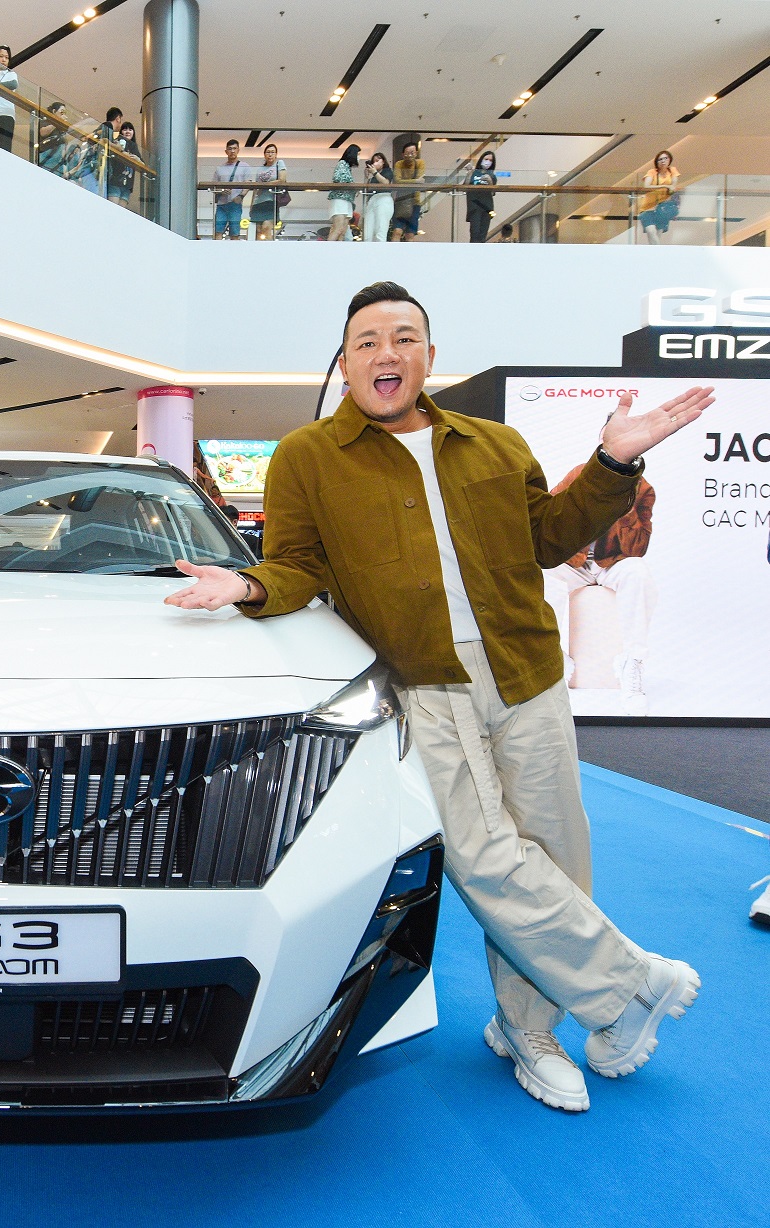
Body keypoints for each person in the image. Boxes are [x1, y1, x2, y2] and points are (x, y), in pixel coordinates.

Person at [163, 281, 710, 1114]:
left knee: (557, 858)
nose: (386, 353)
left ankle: (527, 1029)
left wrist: (614, 465)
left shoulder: (495, 443)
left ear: (428, 355)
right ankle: (630, 985)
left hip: (525, 673)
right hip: (424, 681)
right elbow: (298, 564)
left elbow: (551, 539)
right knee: (485, 859)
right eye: (367, 341)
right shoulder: (309, 455)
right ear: (345, 362)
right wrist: (247, 584)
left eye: (403, 337)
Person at [543, 442, 656, 715]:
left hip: (613, 563)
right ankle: (554, 659)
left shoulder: (643, 489)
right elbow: (547, 515)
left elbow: (638, 548)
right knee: (543, 576)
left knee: (638, 572)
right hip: (574, 561)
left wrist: (625, 506)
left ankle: (632, 664)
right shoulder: (578, 474)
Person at [639, 150, 681, 244]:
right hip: (648, 207)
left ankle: (654, 251)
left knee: (657, 234)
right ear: (656, 162)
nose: (663, 161)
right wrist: (665, 186)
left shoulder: (672, 170)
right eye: (660, 159)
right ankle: (659, 251)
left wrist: (671, 186)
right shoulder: (652, 172)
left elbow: (674, 183)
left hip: (662, 208)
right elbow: (646, 186)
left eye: (665, 158)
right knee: (651, 231)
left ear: (669, 159)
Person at [211, 139, 250, 239]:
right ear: (226, 151)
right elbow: (213, 186)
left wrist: (240, 196)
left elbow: (248, 184)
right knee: (218, 232)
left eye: (234, 148)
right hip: (221, 204)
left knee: (234, 233)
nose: (232, 151)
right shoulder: (220, 168)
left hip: (235, 204)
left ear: (238, 150)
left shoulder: (244, 166)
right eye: (230, 149)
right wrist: (221, 191)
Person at [248, 143, 287, 240]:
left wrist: (265, 185)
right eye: (268, 152)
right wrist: (251, 205)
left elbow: (282, 179)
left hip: (271, 201)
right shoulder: (260, 169)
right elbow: (256, 188)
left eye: (272, 152)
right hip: (258, 202)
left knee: (266, 227)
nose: (270, 154)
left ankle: (269, 248)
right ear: (264, 154)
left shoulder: (279, 164)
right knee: (258, 230)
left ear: (276, 154)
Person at [389, 141, 425, 242]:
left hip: (415, 202)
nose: (409, 155)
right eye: (407, 153)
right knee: (397, 231)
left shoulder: (420, 163)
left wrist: (409, 182)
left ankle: (410, 252)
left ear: (416, 153)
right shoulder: (399, 164)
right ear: (403, 154)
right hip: (400, 201)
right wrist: (415, 181)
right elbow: (397, 180)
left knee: (410, 234)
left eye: (412, 152)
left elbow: (421, 180)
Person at [327, 143, 360, 241]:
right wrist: (352, 185)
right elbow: (338, 178)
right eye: (358, 154)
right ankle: (326, 249)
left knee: (343, 231)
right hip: (340, 198)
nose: (358, 157)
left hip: (347, 200)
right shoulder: (342, 164)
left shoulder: (347, 167)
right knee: (338, 229)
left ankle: (339, 248)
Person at [362, 151, 394, 242]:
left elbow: (386, 183)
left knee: (381, 227)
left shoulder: (387, 171)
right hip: (372, 199)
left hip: (383, 198)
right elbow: (367, 189)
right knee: (368, 231)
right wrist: (367, 175)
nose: (375, 163)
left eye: (377, 160)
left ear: (383, 161)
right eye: (373, 161)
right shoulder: (372, 177)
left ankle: (380, 249)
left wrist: (375, 172)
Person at [108, 120, 140, 207]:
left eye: (130, 129)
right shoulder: (117, 142)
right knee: (112, 210)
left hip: (127, 186)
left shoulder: (133, 146)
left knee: (120, 212)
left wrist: (137, 159)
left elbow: (142, 163)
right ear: (121, 132)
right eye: (125, 129)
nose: (127, 132)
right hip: (115, 181)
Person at [466, 150, 496, 243]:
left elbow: (493, 192)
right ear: (481, 159)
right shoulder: (474, 172)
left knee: (483, 234)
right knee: (474, 232)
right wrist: (469, 173)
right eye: (486, 159)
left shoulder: (492, 175)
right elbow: (465, 187)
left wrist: (490, 181)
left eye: (490, 160)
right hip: (474, 206)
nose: (488, 162)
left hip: (487, 207)